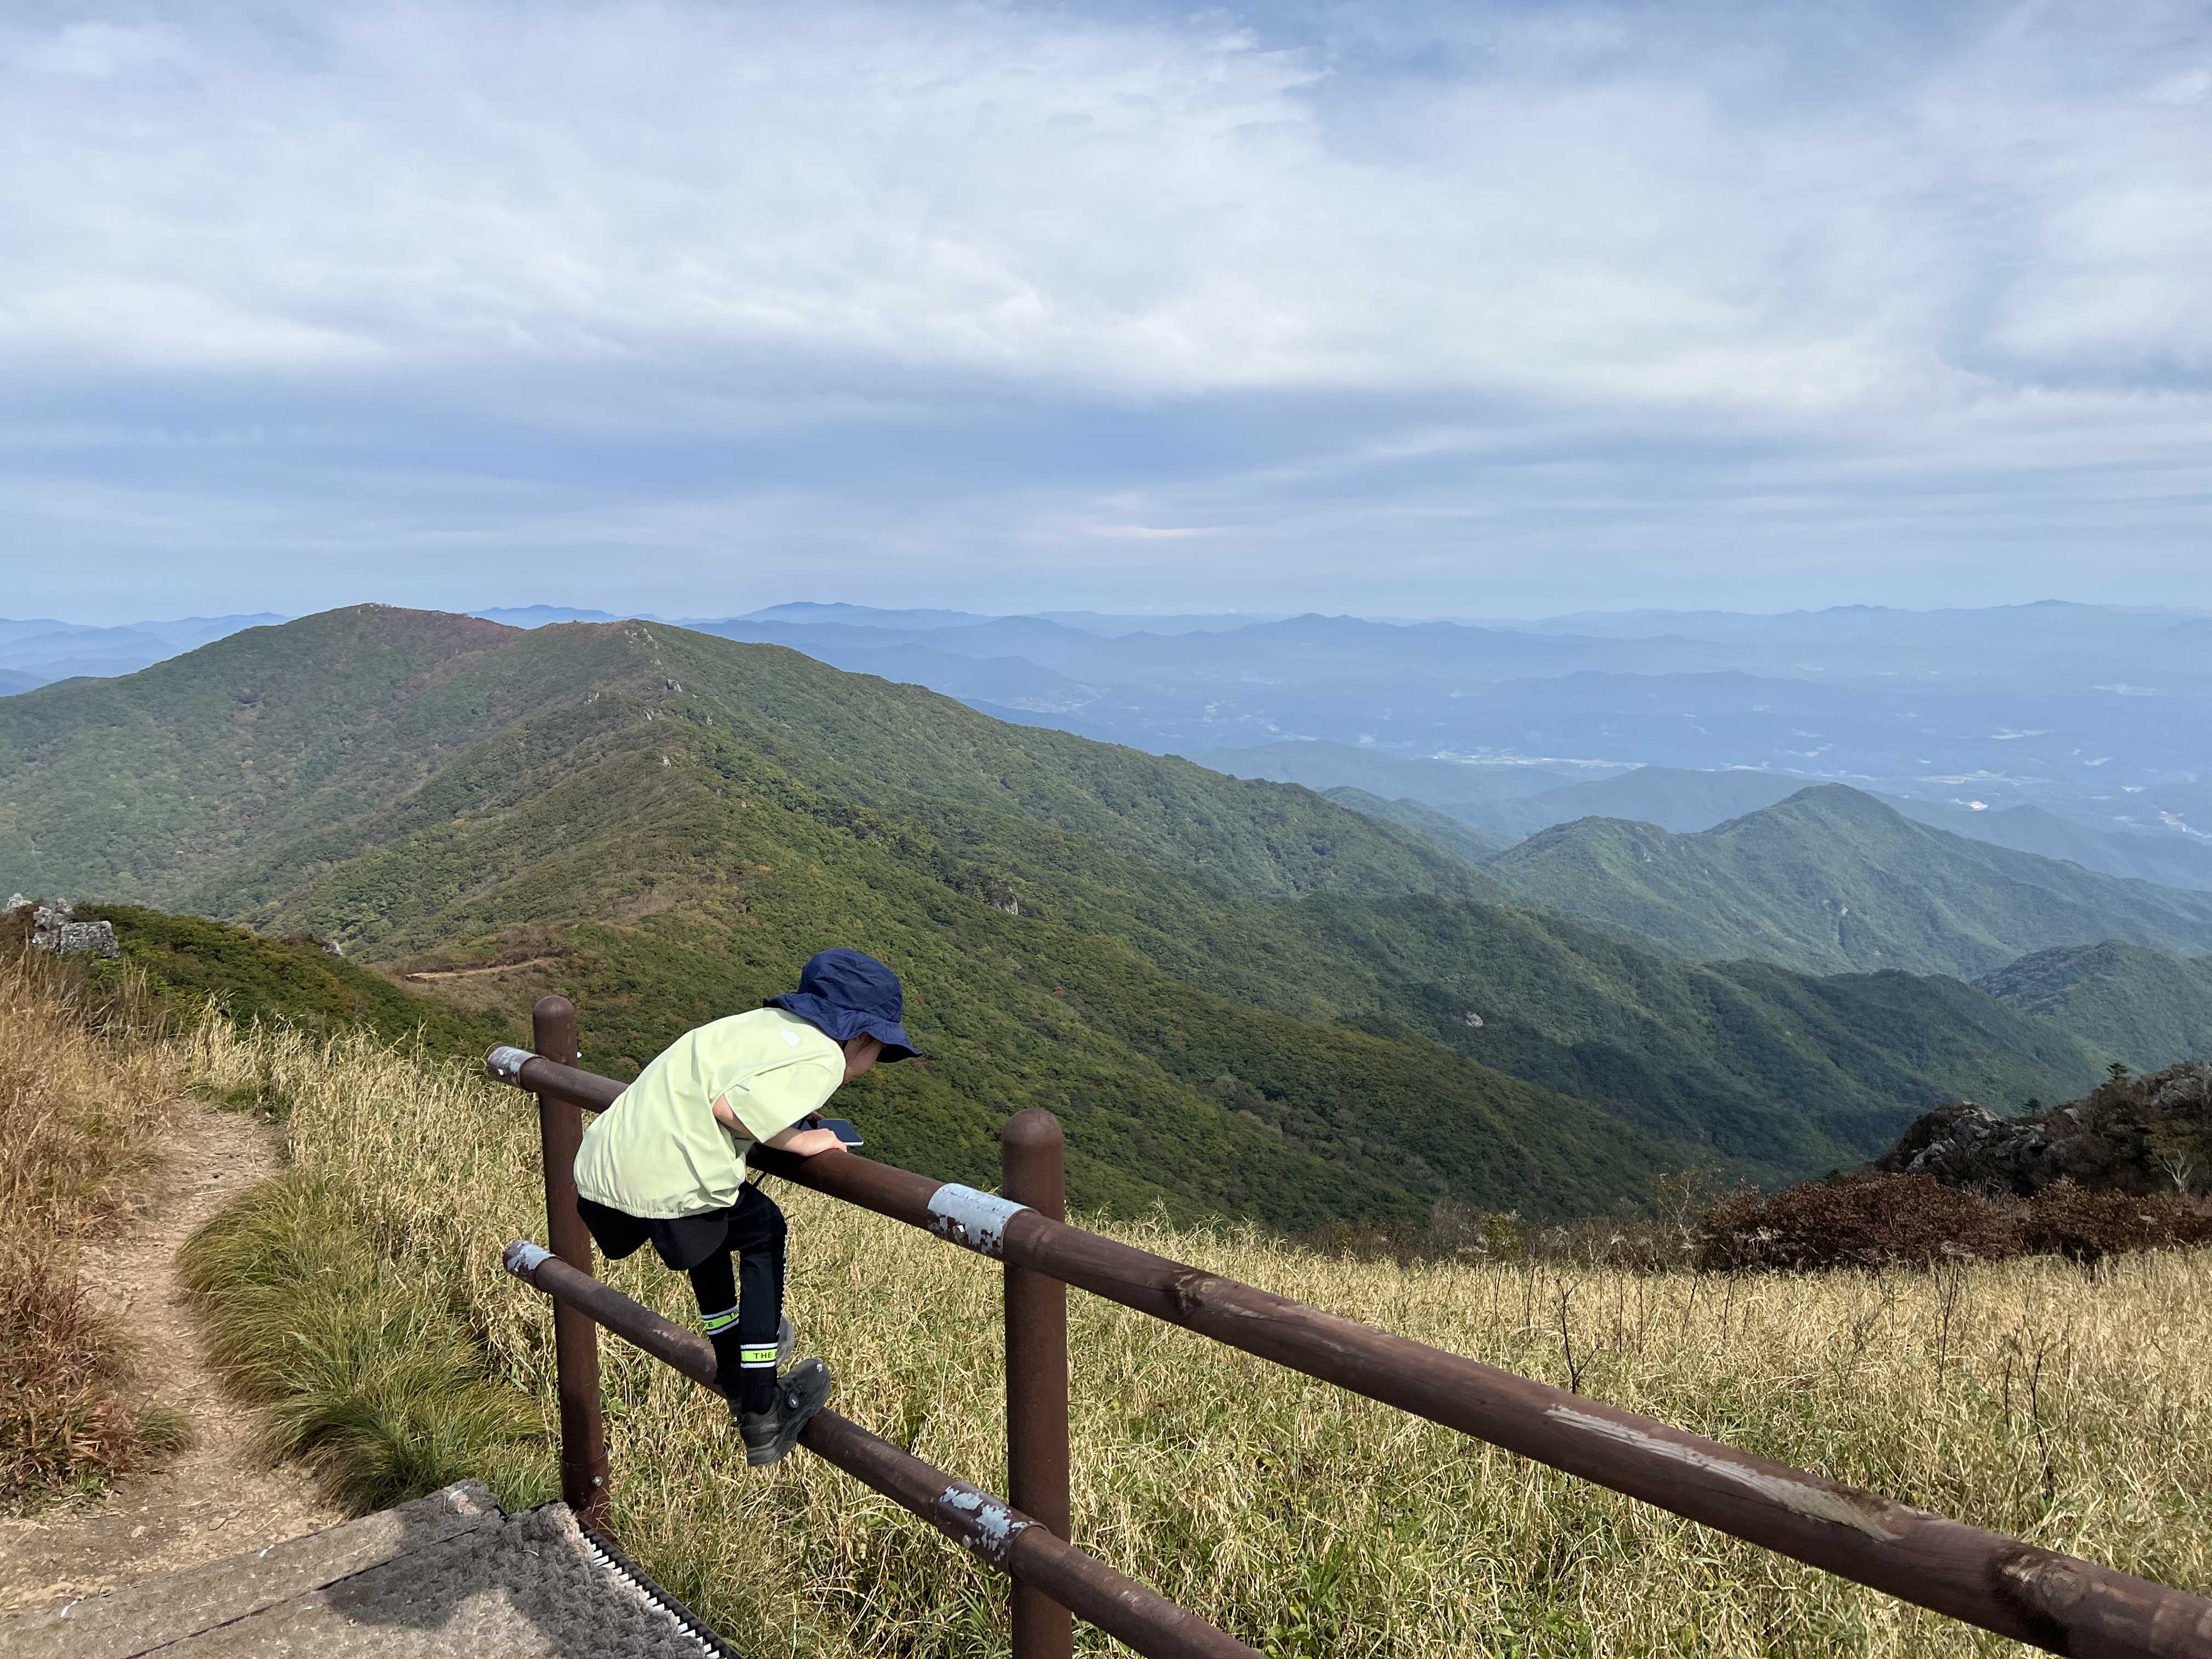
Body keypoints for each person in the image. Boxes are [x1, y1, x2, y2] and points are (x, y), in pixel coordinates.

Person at [571, 948, 921, 1466]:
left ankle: (736, 1360)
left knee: (723, 1224)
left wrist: (784, 1112)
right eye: (879, 1052)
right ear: (863, 1038)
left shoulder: (758, 1025)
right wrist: (800, 1140)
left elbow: (722, 1088)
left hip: (602, 1171)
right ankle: (761, 1406)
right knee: (765, 1230)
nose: (870, 1066)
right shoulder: (827, 1057)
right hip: (666, 1183)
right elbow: (730, 1107)